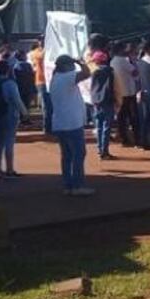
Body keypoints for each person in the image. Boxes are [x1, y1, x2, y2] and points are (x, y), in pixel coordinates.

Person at [50, 55, 93, 196]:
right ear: (66, 66)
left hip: (60, 122)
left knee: (67, 155)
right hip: (72, 123)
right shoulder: (67, 77)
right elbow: (87, 73)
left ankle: (68, 185)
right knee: (79, 154)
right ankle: (77, 185)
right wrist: (80, 62)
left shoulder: (55, 78)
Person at [0, 59, 28, 177]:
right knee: (9, 142)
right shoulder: (10, 83)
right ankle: (10, 169)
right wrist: (25, 113)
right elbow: (17, 101)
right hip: (10, 115)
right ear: (8, 70)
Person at [110, 42, 139, 147]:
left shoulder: (113, 61)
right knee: (133, 117)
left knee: (121, 117)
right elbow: (135, 72)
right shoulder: (123, 61)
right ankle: (137, 139)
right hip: (129, 92)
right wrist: (134, 62)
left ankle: (124, 139)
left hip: (119, 92)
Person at [90, 51, 116, 160]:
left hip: (96, 101)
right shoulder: (110, 71)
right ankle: (104, 151)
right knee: (106, 126)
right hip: (107, 100)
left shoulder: (95, 72)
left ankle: (100, 149)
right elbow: (112, 86)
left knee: (99, 126)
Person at [28, 38, 51, 133]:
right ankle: (47, 127)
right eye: (41, 40)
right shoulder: (36, 52)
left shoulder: (46, 51)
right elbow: (41, 56)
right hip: (42, 80)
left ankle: (51, 126)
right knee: (46, 105)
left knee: (51, 105)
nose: (42, 41)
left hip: (50, 80)